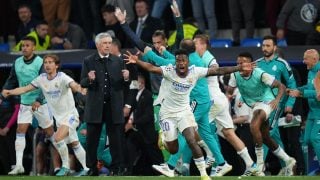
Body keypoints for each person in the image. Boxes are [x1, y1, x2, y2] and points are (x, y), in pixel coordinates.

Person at [125, 48, 253, 180]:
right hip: (167, 114)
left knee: (191, 140)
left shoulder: (195, 71)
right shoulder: (169, 71)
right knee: (173, 149)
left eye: (183, 60)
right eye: (178, 60)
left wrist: (238, 68)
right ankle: (167, 143)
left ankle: (203, 174)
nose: (180, 63)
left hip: (184, 112)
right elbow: (151, 68)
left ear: (188, 62)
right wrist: (137, 61)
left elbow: (218, 70)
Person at [3, 54, 90, 176]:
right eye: (45, 62)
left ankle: (65, 167)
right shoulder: (41, 79)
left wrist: (79, 89)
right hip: (59, 120)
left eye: (50, 62)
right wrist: (10, 92)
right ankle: (87, 168)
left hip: (71, 116)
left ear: (56, 65)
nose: (47, 65)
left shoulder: (62, 77)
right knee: (75, 143)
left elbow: (73, 85)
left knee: (57, 138)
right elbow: (25, 89)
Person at [193, 34, 258, 176]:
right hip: (220, 100)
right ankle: (251, 164)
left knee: (193, 128)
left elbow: (216, 68)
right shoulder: (199, 58)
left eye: (195, 43)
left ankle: (215, 158)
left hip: (212, 101)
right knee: (229, 133)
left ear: (204, 45)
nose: (193, 46)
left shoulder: (208, 58)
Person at [227, 52, 296, 176]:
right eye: (238, 63)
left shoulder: (260, 74)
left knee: (254, 125)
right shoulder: (235, 74)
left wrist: (277, 100)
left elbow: (281, 86)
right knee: (265, 137)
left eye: (242, 63)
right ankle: (288, 160)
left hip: (267, 101)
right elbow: (230, 91)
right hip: (253, 104)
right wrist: (230, 94)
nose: (239, 65)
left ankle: (259, 165)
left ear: (251, 65)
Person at [0, 36, 54, 175]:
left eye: (27, 45)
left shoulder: (40, 62)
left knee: (51, 134)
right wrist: (2, 95)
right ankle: (19, 165)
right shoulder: (17, 62)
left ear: (34, 47)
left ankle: (64, 163)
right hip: (25, 103)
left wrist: (39, 99)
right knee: (20, 131)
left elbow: (45, 83)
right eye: (22, 45)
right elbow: (11, 80)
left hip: (41, 103)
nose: (24, 48)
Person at [80, 32, 129, 176]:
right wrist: (89, 79)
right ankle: (92, 168)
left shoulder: (118, 61)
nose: (108, 45)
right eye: (105, 43)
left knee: (116, 140)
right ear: (97, 45)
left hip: (113, 106)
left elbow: (124, 85)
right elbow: (82, 82)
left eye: (109, 43)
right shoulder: (88, 60)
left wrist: (126, 78)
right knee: (92, 140)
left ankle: (117, 168)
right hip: (95, 106)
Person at [256, 35, 297, 174]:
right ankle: (287, 166)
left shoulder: (282, 64)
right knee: (274, 136)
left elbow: (292, 84)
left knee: (265, 132)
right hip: (262, 104)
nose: (265, 48)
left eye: (268, 46)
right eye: (263, 46)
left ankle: (258, 167)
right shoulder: (258, 64)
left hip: (276, 103)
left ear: (274, 47)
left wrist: (290, 102)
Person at [287, 49, 320, 174]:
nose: (303, 61)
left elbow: (318, 93)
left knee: (314, 138)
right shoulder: (311, 71)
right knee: (305, 140)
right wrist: (295, 89)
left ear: (314, 59)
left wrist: (300, 93)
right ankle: (307, 170)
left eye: (306, 58)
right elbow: (309, 86)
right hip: (313, 111)